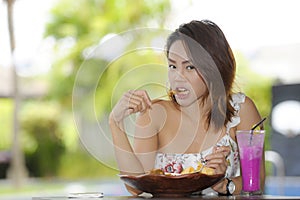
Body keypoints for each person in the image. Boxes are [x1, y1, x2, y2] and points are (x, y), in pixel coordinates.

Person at [109, 20, 265, 196]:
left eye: (189, 67)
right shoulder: (154, 114)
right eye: (172, 66)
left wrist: (225, 184)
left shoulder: (241, 110)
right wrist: (115, 122)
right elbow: (135, 188)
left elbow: (257, 179)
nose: (178, 77)